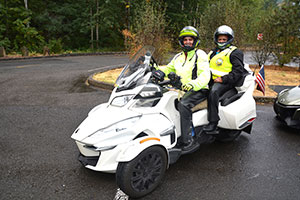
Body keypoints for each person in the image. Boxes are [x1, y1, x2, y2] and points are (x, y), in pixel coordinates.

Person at [152, 26, 211, 152]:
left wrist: (192, 85)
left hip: (198, 89)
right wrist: (156, 71)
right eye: (185, 40)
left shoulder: (200, 55)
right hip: (181, 89)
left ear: (195, 41)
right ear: (182, 41)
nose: (188, 42)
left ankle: (188, 140)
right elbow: (168, 69)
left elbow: (205, 75)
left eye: (191, 39)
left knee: (183, 105)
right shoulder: (178, 56)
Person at [203, 25, 248, 132]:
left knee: (213, 92)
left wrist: (223, 79)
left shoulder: (235, 52)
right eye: (220, 39)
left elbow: (238, 71)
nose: (221, 41)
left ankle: (213, 122)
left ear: (229, 39)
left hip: (227, 81)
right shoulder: (213, 52)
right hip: (211, 79)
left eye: (224, 39)